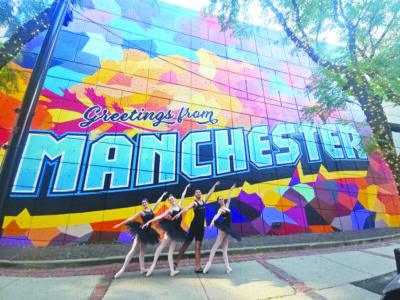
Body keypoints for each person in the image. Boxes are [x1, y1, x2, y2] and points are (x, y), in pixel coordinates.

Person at [112, 192, 167, 278]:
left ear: (148, 203)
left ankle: (142, 269)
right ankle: (122, 269)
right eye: (143, 203)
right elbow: (131, 218)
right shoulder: (141, 212)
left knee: (142, 251)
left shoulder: (151, 210)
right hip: (141, 231)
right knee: (133, 249)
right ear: (142, 205)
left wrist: (163, 195)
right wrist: (119, 224)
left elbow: (157, 203)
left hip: (147, 232)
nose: (144, 204)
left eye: (145, 202)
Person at [142, 184, 190, 277]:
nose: (171, 200)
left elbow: (183, 197)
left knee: (171, 252)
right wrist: (150, 221)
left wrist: (186, 188)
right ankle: (152, 268)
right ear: (169, 202)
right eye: (170, 200)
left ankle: (172, 271)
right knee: (160, 248)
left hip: (177, 231)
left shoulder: (179, 206)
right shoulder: (170, 210)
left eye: (172, 199)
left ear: (174, 199)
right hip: (170, 230)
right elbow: (160, 216)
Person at [173, 181, 220, 273]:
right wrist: (179, 214)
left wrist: (214, 185)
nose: (198, 193)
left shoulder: (203, 201)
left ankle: (198, 267)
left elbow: (210, 193)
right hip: (194, 226)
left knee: (198, 246)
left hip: (201, 228)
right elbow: (186, 208)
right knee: (186, 244)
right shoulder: (194, 203)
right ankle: (176, 262)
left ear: (201, 194)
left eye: (199, 192)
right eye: (197, 192)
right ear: (195, 195)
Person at [203, 184, 240, 274]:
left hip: (227, 228)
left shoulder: (226, 206)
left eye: (221, 198)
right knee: (216, 245)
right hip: (223, 228)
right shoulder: (221, 209)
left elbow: (229, 198)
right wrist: (212, 221)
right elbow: (217, 215)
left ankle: (228, 267)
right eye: (219, 199)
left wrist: (231, 189)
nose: (221, 200)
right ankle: (208, 264)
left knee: (225, 249)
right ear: (218, 202)